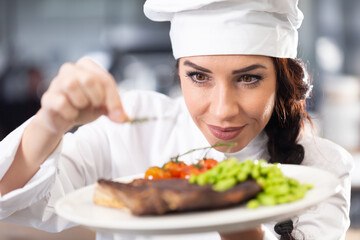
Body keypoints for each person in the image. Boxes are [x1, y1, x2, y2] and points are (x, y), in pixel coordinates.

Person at [0, 0, 353, 240]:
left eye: (248, 78)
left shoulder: (324, 167)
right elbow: (12, 199)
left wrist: (232, 209)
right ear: (178, 73)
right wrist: (51, 123)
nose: (222, 110)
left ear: (282, 78)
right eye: (199, 77)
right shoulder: (134, 125)